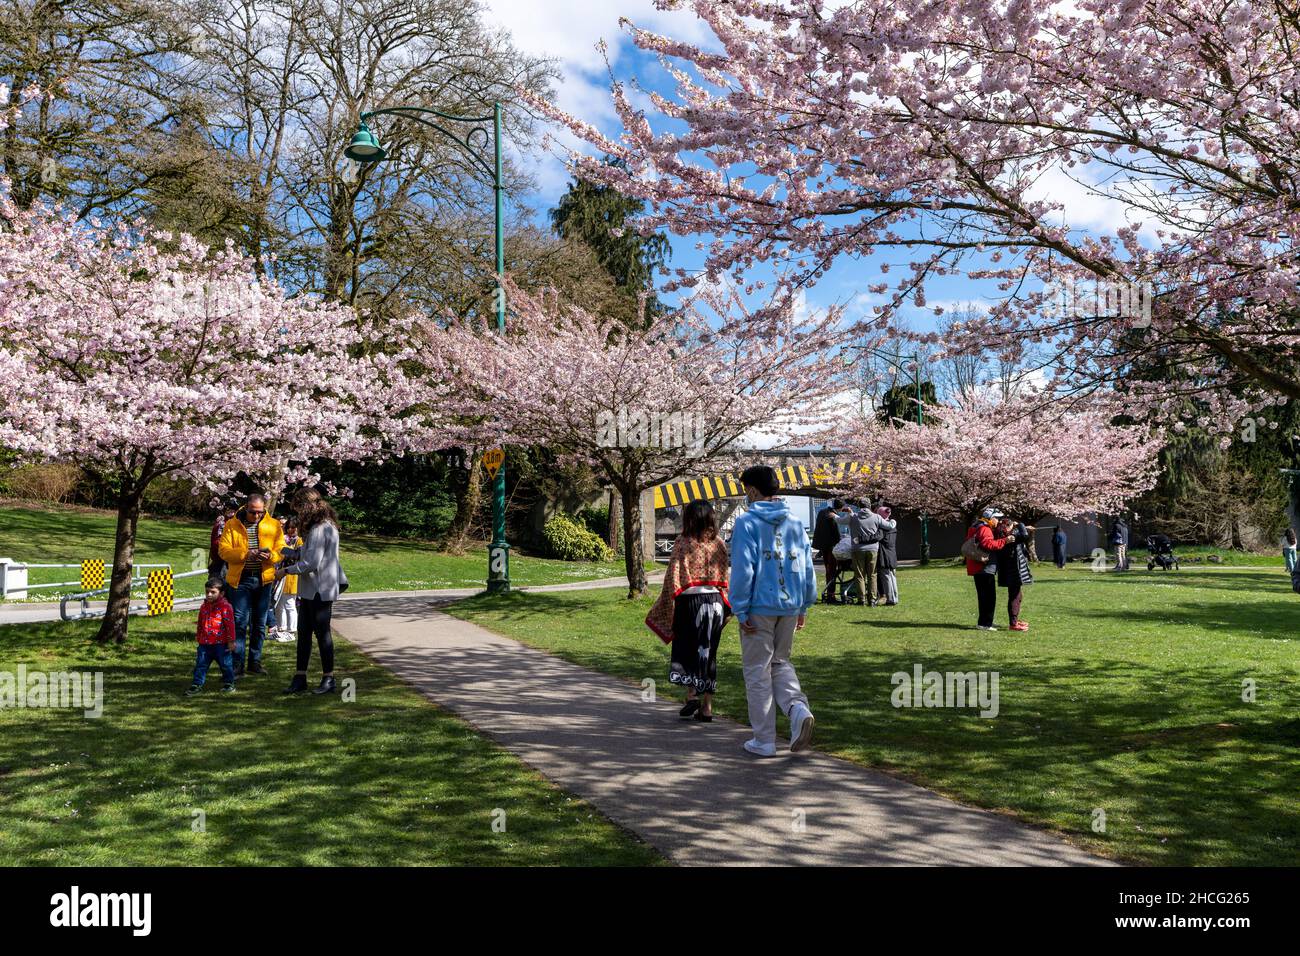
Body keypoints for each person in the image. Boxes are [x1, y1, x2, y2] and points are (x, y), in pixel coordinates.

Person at [728, 464, 817, 757]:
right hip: (790, 604)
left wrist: (738, 608)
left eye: (745, 490)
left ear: (752, 490)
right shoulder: (794, 522)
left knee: (757, 671)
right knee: (780, 663)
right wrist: (804, 603)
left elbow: (743, 568)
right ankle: (797, 709)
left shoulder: (747, 523)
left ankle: (764, 740)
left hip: (758, 606)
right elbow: (806, 566)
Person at [645, 500, 731, 721]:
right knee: (709, 652)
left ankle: (692, 694)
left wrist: (665, 603)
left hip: (690, 601)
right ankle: (707, 707)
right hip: (715, 601)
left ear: (689, 519)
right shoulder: (719, 543)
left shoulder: (683, 542)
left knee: (687, 647)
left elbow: (673, 576)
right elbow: (725, 576)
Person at [278, 487, 348, 695]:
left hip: (320, 589)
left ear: (307, 506)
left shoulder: (321, 528)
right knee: (304, 635)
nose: (298, 515)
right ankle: (300, 677)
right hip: (311, 590)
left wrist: (284, 572)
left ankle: (329, 679)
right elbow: (307, 552)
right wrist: (283, 550)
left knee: (322, 634)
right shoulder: (320, 526)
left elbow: (311, 563)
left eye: (299, 509)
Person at [217, 493, 285, 677]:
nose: (256, 516)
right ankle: (237, 663)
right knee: (239, 622)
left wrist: (271, 556)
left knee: (260, 623)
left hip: (264, 580)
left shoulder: (274, 525)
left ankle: (255, 661)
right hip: (241, 580)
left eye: (260, 513)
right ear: (245, 508)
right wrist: (245, 554)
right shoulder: (232, 525)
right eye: (253, 512)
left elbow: (281, 550)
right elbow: (223, 551)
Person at [185, 577, 237, 696]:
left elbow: (230, 625)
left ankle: (229, 683)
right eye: (207, 591)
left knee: (225, 664)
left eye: (213, 592)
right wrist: (199, 636)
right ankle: (196, 684)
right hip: (205, 644)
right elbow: (200, 622)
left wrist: (231, 641)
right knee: (201, 664)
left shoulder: (226, 607)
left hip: (221, 644)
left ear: (222, 593)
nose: (209, 594)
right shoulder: (204, 606)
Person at [964, 507, 1013, 631]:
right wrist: (1005, 540)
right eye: (997, 518)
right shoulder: (985, 529)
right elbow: (989, 544)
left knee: (983, 596)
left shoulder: (975, 526)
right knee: (989, 597)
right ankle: (986, 624)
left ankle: (984, 622)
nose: (998, 521)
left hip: (977, 567)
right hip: (984, 568)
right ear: (991, 518)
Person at [846, 502, 893, 606]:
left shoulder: (854, 517)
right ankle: (872, 599)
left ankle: (861, 599)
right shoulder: (876, 517)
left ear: (860, 506)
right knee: (872, 575)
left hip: (857, 549)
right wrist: (893, 521)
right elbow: (889, 526)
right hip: (873, 549)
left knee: (860, 575)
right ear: (869, 506)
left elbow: (842, 521)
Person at [996, 517, 1034, 631]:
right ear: (1008, 527)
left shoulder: (1001, 534)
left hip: (1008, 570)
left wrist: (1022, 527)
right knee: (1015, 596)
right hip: (1013, 570)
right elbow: (1024, 536)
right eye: (1012, 526)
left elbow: (1020, 533)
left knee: (1017, 595)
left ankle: (1015, 620)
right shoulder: (1011, 538)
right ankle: (1013, 623)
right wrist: (1021, 524)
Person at [272, 517, 302, 643]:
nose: (290, 530)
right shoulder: (283, 539)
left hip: (292, 576)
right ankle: (281, 628)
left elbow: (297, 556)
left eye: (293, 527)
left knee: (289, 603)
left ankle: (291, 630)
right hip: (280, 575)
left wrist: (284, 551)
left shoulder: (299, 541)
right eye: (288, 527)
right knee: (279, 603)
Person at [811, 498, 846, 604]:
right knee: (832, 571)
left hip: (823, 546)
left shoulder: (822, 512)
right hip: (831, 547)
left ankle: (829, 594)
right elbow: (836, 534)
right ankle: (831, 595)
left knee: (828, 571)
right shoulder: (832, 516)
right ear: (841, 507)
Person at [875, 505, 899, 605]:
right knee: (892, 576)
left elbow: (877, 537)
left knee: (886, 577)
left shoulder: (882, 528)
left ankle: (890, 599)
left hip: (884, 555)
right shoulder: (892, 525)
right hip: (892, 555)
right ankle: (895, 598)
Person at [207, 501, 237, 580]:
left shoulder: (233, 523)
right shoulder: (222, 524)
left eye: (234, 511)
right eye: (230, 511)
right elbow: (217, 543)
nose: (233, 513)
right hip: (220, 562)